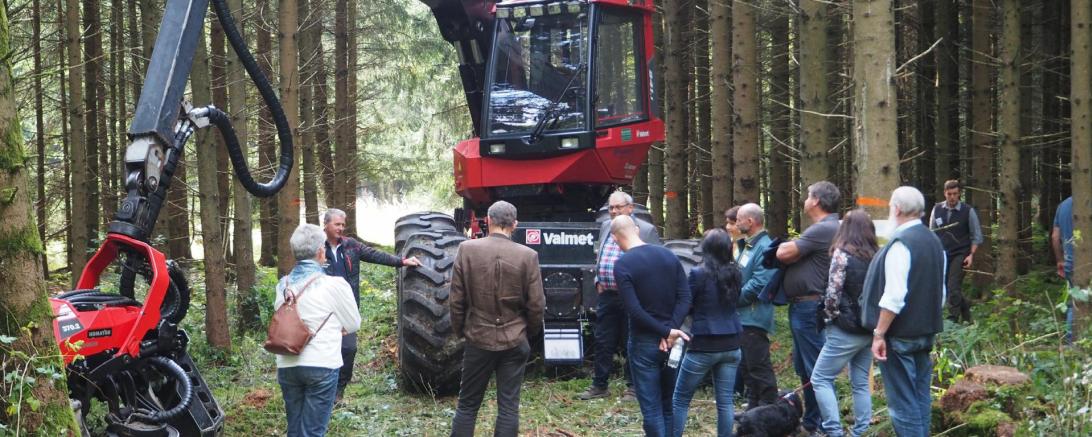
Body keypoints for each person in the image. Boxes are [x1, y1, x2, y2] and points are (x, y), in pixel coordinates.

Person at [449, 201, 545, 437]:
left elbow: (456, 300)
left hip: (478, 337)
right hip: (515, 339)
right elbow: (537, 304)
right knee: (509, 408)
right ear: (515, 225)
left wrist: (461, 330)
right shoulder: (528, 255)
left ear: (488, 221)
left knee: (468, 405)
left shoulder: (467, 249)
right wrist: (527, 332)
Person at [861, 187, 947, 437]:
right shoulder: (934, 241)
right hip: (925, 333)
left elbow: (894, 298)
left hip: (900, 336)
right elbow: (940, 294)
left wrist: (879, 333)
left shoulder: (901, 244)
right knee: (920, 399)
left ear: (896, 209)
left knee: (903, 405)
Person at [321, 208, 421, 398]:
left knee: (349, 349)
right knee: (326, 349)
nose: (341, 228)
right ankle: (324, 390)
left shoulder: (351, 246)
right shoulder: (316, 248)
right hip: (323, 309)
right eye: (337, 224)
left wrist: (402, 261)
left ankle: (339, 391)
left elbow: (376, 255)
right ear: (326, 224)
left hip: (347, 308)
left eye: (343, 224)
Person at [275, 224, 362, 437]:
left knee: (295, 430)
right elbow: (353, 324)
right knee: (313, 432)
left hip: (287, 363)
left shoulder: (282, 285)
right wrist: (337, 328)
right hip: (322, 364)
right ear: (321, 252)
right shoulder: (335, 284)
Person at [612, 215, 692, 437]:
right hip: (674, 341)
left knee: (652, 409)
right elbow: (685, 298)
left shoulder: (622, 265)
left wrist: (665, 332)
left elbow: (635, 311)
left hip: (645, 342)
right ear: (636, 230)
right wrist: (671, 330)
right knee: (669, 403)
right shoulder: (668, 255)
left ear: (614, 238)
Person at [580, 191, 662, 401]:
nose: (614, 211)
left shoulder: (646, 230)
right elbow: (600, 254)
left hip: (633, 297)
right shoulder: (607, 226)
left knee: (631, 341)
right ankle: (600, 385)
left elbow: (654, 263)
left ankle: (633, 387)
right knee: (603, 340)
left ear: (630, 208)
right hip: (608, 295)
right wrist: (599, 279)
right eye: (611, 208)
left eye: (619, 207)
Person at [776, 181, 842, 434]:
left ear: (816, 201)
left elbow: (782, 253)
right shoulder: (825, 228)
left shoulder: (824, 228)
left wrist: (784, 247)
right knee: (806, 369)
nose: (804, 199)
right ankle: (813, 422)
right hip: (804, 306)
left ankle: (827, 426)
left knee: (816, 369)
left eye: (807, 195)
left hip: (809, 306)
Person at [811, 209, 879, 437]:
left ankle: (833, 431)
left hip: (845, 329)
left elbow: (833, 293)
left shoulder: (842, 255)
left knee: (820, 378)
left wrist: (830, 318)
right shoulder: (877, 256)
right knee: (860, 382)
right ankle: (861, 432)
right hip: (869, 328)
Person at [671, 228, 744, 437]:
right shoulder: (736, 272)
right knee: (725, 402)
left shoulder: (698, 273)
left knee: (681, 399)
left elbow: (688, 304)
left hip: (704, 344)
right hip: (732, 344)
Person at [733, 203, 779, 409]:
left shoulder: (765, 247)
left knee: (758, 365)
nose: (736, 223)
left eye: (738, 219)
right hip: (742, 316)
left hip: (753, 316)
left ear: (750, 221)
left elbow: (759, 283)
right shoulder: (749, 245)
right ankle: (753, 408)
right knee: (747, 366)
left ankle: (769, 407)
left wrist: (733, 298)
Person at [927, 180, 984, 323]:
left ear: (959, 194)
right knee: (948, 286)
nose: (952, 197)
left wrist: (971, 255)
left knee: (953, 285)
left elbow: (976, 236)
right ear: (945, 193)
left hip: (961, 254)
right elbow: (932, 232)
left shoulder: (967, 211)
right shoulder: (937, 209)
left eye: (955, 194)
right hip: (942, 254)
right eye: (949, 194)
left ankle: (953, 318)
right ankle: (966, 313)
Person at [1051, 196, 1074, 342]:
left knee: (1075, 302)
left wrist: (1060, 260)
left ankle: (1072, 343)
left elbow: (1055, 237)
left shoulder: (1063, 205)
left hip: (1070, 263)